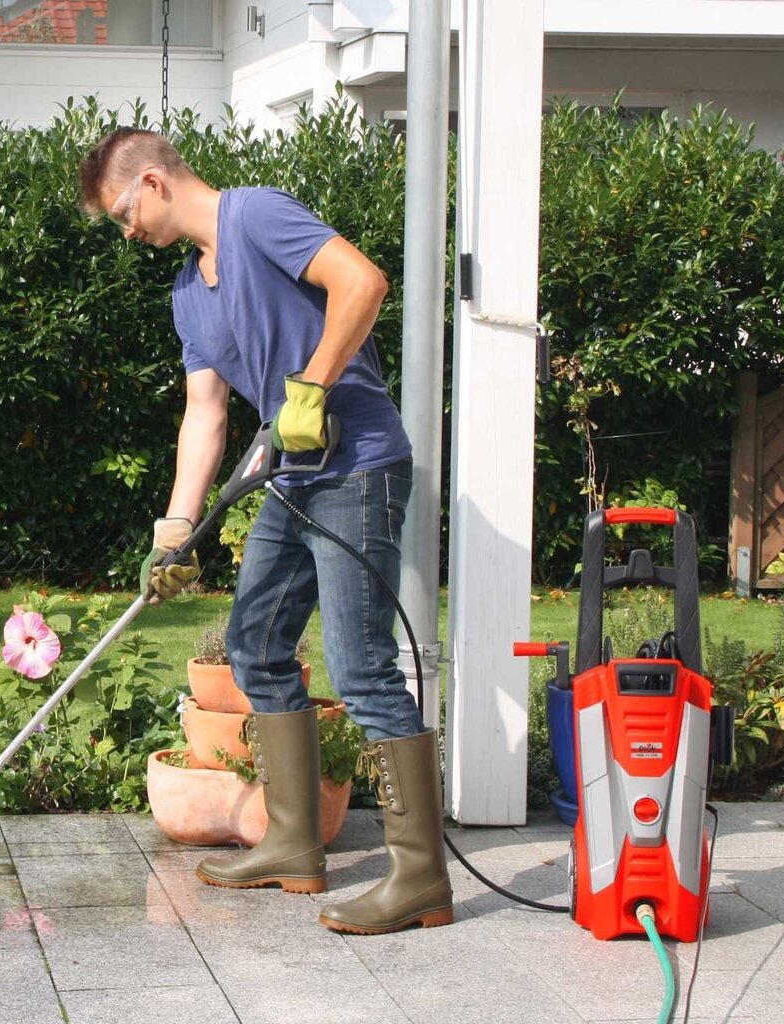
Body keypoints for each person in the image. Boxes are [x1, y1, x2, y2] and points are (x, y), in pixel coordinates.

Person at [78, 127, 452, 935]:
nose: (127, 231)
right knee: (255, 643)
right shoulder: (189, 290)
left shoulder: (255, 217)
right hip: (291, 479)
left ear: (151, 182)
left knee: (363, 670)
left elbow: (362, 281)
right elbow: (205, 414)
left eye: (121, 213)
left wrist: (311, 387)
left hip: (357, 468)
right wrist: (176, 527)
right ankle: (292, 842)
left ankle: (420, 877)